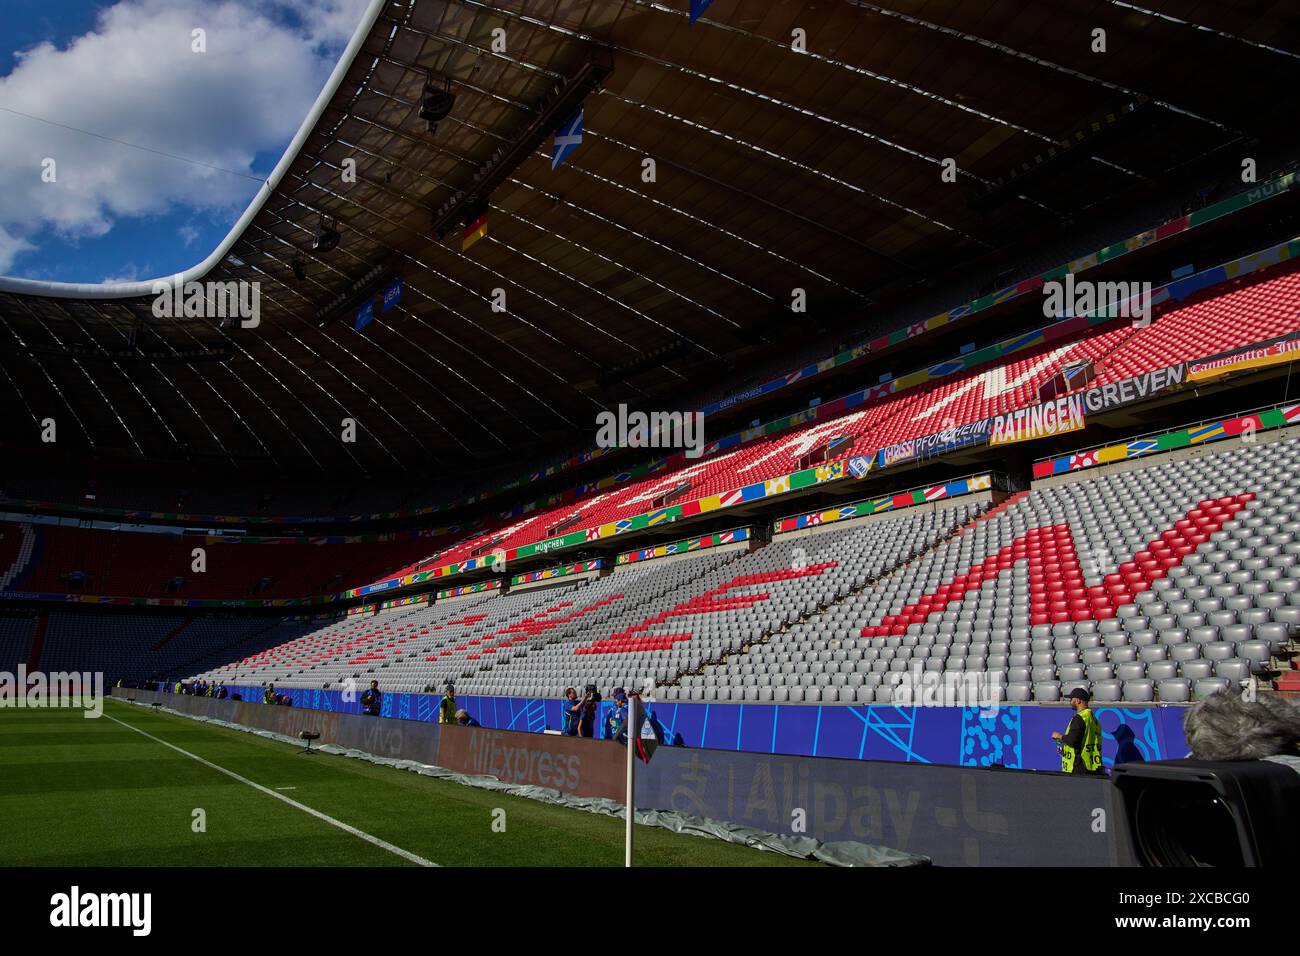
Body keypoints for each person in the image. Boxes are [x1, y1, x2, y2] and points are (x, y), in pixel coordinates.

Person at [1052, 687, 1103, 774]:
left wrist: (1059, 736)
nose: (1070, 702)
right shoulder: (1093, 718)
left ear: (1078, 700)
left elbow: (1073, 740)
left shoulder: (1080, 718)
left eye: (1071, 699)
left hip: (1078, 766)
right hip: (1091, 766)